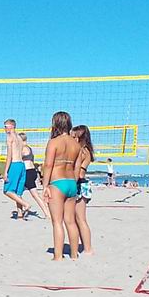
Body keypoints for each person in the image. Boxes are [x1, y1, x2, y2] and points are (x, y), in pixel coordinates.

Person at [41, 111, 81, 261]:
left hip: (57, 183)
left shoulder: (53, 142)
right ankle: (74, 254)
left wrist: (45, 185)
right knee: (70, 221)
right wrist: (73, 184)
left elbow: (48, 165)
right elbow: (77, 168)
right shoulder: (76, 144)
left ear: (55, 124)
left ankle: (58, 256)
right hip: (71, 183)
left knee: (57, 222)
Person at [72, 125, 95, 255]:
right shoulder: (84, 150)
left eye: (74, 136)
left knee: (80, 219)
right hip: (80, 183)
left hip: (80, 184)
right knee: (76, 219)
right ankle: (85, 247)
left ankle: (88, 249)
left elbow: (79, 173)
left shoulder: (83, 151)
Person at [2, 119, 32, 219]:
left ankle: (26, 204)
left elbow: (9, 156)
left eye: (5, 126)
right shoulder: (19, 138)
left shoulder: (10, 137)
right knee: (18, 192)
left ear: (11, 126)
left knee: (7, 191)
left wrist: (5, 171)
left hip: (14, 164)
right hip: (22, 165)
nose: (4, 129)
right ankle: (20, 213)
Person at [20, 133, 49, 219]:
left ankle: (46, 213)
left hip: (27, 172)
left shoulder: (23, 149)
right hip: (32, 171)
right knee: (18, 193)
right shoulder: (29, 148)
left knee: (34, 195)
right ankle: (20, 212)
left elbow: (17, 158)